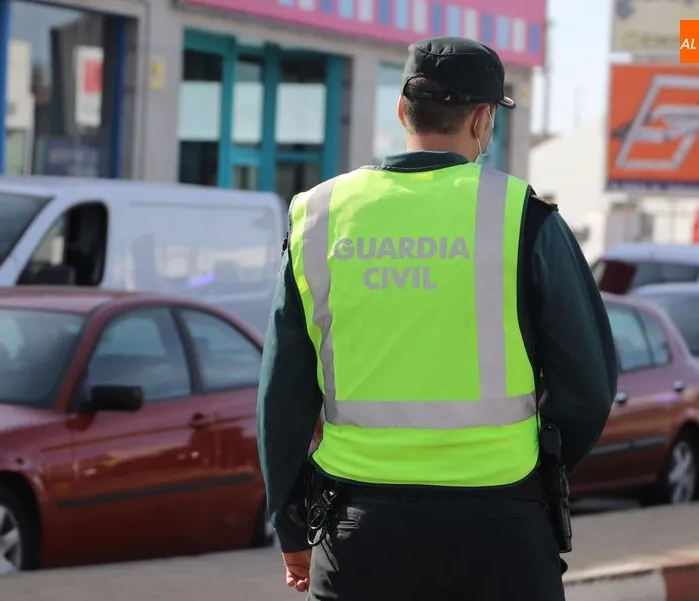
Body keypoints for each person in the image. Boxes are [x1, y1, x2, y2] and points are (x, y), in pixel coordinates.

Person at [256, 36, 617, 601]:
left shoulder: (318, 216)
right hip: (501, 529)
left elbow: (283, 391)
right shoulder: (523, 217)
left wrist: (290, 522)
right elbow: (589, 388)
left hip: (358, 535)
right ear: (482, 119)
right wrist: (541, 466)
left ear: (403, 110)